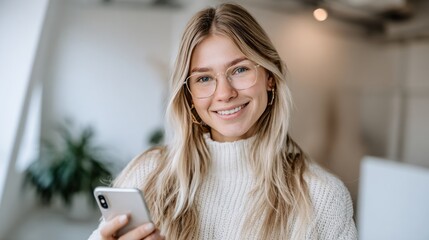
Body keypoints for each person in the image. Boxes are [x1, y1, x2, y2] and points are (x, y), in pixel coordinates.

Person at [89, 3, 357, 240]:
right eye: (204, 78)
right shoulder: (146, 176)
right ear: (190, 95)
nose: (225, 94)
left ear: (270, 77)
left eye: (240, 70)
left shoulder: (323, 198)